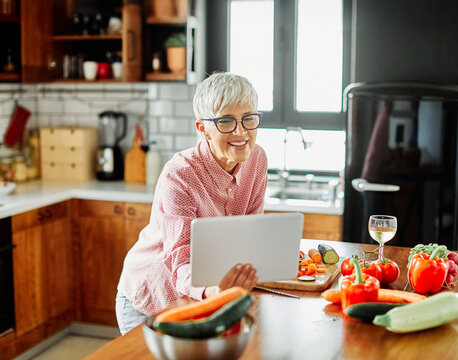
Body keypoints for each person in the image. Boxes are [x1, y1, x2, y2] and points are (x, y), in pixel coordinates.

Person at [116, 72, 268, 334]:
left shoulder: (257, 160)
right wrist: (215, 291)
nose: (241, 131)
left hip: (207, 295)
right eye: (226, 122)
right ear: (202, 129)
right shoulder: (180, 174)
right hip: (150, 298)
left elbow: (251, 234)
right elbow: (180, 260)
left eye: (248, 119)